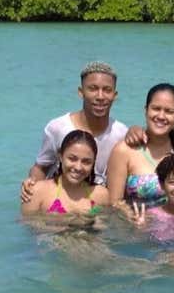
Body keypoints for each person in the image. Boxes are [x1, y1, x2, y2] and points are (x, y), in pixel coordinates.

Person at [20, 61, 128, 202]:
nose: (100, 96)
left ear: (115, 95)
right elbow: (41, 167)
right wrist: (31, 186)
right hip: (59, 204)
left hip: (98, 206)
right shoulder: (57, 128)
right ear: (81, 92)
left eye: (107, 90)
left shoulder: (121, 133)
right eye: (93, 89)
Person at [106, 83, 174, 207]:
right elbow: (115, 203)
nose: (161, 116)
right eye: (156, 109)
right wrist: (136, 217)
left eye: (169, 111)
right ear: (146, 110)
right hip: (135, 219)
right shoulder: (123, 151)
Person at [20, 130, 110, 216]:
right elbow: (27, 224)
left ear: (93, 163)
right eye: (72, 159)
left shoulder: (101, 195)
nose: (78, 167)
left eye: (86, 162)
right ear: (60, 156)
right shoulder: (37, 191)